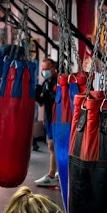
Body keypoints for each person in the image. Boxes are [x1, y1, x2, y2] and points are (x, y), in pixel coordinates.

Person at [34, 58, 59, 187]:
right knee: (52, 146)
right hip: (49, 118)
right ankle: (56, 173)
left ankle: (52, 175)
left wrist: (49, 96)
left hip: (58, 119)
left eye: (47, 69)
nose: (44, 71)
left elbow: (60, 100)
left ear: (54, 68)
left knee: (53, 146)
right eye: (43, 69)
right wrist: (37, 96)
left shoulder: (59, 82)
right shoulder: (46, 82)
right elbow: (42, 103)